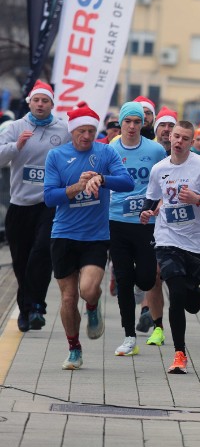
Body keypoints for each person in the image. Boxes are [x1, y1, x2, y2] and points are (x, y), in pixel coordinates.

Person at [44, 103, 135, 370]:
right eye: (82, 130)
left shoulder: (105, 152)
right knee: (69, 298)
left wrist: (101, 178)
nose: (86, 136)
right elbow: (50, 197)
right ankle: (74, 349)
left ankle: (93, 307)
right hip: (63, 235)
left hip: (95, 236)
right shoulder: (56, 156)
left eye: (91, 131)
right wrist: (77, 187)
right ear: (72, 131)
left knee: (87, 290)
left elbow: (127, 182)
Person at [140, 121, 200, 374]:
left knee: (191, 303)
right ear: (170, 138)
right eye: (175, 136)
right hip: (168, 239)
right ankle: (179, 354)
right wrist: (146, 211)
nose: (178, 141)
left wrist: (198, 199)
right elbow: (152, 196)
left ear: (192, 142)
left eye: (184, 138)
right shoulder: (159, 169)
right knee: (176, 294)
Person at [0, 81, 69, 332]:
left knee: (41, 253)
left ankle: (36, 306)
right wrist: (15, 146)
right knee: (21, 261)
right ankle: (26, 308)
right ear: (29, 102)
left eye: (45, 101)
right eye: (36, 100)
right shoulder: (16, 127)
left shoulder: (62, 130)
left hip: (48, 203)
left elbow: (74, 156)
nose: (40, 105)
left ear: (52, 104)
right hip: (20, 205)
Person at [108, 102, 167, 356]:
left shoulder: (154, 150)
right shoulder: (110, 149)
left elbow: (168, 179)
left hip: (146, 224)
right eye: (127, 122)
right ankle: (129, 336)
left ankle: (136, 284)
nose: (132, 127)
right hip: (117, 222)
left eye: (137, 122)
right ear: (120, 124)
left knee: (146, 278)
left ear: (143, 124)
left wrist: (158, 207)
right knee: (123, 279)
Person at [136, 105, 178, 342]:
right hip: (147, 218)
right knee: (153, 273)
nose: (166, 130)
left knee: (169, 274)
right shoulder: (149, 150)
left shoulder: (183, 155)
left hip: (174, 223)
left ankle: (157, 313)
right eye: (162, 125)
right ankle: (155, 322)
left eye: (171, 126)